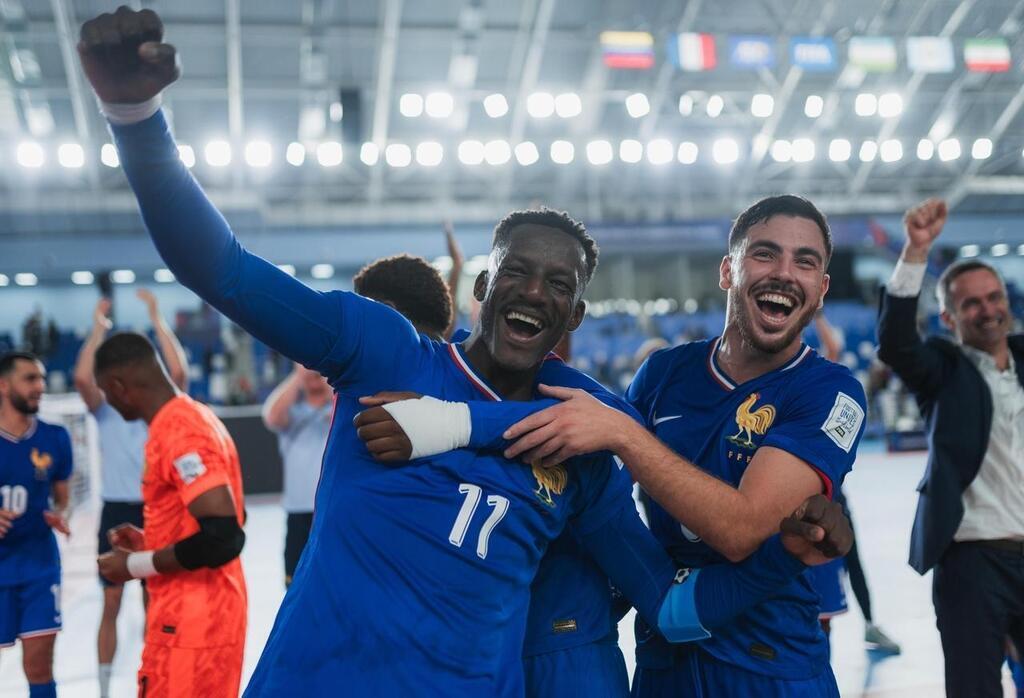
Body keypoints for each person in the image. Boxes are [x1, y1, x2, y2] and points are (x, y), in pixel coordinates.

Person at [76, 13, 854, 693]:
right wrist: (135, 116)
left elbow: (674, 612)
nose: (534, 292)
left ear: (574, 313)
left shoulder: (583, 432)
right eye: (517, 271)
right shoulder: (383, 352)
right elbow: (221, 268)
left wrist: (785, 555)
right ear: (485, 285)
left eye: (558, 284)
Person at [373, 195, 868, 696]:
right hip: (664, 661)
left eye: (804, 262)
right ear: (727, 270)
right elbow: (592, 486)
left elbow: (739, 530)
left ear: (821, 288)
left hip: (769, 665)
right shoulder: (663, 374)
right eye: (765, 254)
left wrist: (621, 432)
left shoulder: (831, 393)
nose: (784, 273)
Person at [877, 198, 1024, 698]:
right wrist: (916, 251)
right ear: (947, 318)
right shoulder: (944, 370)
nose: (988, 310)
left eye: (994, 296)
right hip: (971, 561)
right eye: (972, 303)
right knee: (973, 689)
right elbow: (895, 342)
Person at [93, 332, 247, 697]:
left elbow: (224, 537)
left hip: (190, 626)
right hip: (203, 618)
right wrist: (153, 542)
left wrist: (133, 566)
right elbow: (228, 517)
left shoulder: (180, 431)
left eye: (106, 393)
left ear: (118, 386)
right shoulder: (193, 417)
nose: (109, 402)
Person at [72, 291, 189, 697]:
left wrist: (158, 319)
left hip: (154, 510)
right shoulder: (105, 409)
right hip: (117, 508)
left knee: (154, 605)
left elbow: (179, 372)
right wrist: (96, 331)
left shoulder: (158, 407)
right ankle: (105, 688)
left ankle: (152, 679)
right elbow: (82, 380)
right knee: (111, 604)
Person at [811, 312, 901, 654]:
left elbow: (832, 346)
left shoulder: (818, 383)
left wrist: (816, 315)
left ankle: (870, 623)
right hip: (799, 499)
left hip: (832, 493)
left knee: (853, 558)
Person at [0, 352, 72, 698]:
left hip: (39, 565)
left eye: (41, 378)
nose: (39, 386)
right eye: (30, 378)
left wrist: (60, 513)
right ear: (3, 384)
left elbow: (62, 497)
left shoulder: (55, 437)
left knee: (40, 665)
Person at [261, 364, 332, 587]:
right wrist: (300, 372)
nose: (313, 372)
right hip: (298, 513)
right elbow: (271, 416)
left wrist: (331, 373)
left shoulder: (337, 409)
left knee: (333, 583)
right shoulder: (292, 414)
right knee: (294, 585)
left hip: (331, 511)